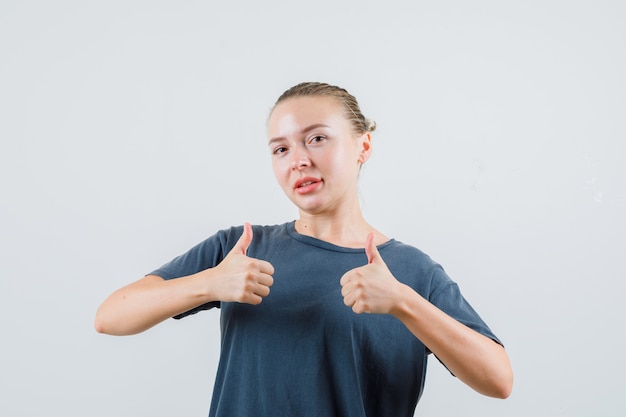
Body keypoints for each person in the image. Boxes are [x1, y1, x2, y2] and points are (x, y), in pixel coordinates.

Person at [95, 82, 513, 416]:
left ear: (363, 146)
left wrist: (403, 301)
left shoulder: (409, 271)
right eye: (281, 148)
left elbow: (499, 381)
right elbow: (110, 316)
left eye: (316, 139)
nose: (298, 160)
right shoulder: (239, 248)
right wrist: (207, 284)